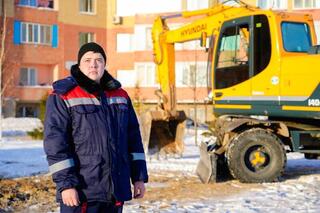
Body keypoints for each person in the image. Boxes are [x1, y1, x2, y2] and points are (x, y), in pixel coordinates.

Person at [44, 42, 148, 213]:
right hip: (81, 193)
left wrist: (138, 178)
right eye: (87, 60)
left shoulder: (120, 96)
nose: (93, 64)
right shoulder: (63, 95)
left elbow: (133, 140)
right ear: (79, 64)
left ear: (104, 64)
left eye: (98, 59)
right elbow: (56, 145)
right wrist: (66, 185)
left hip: (115, 192)